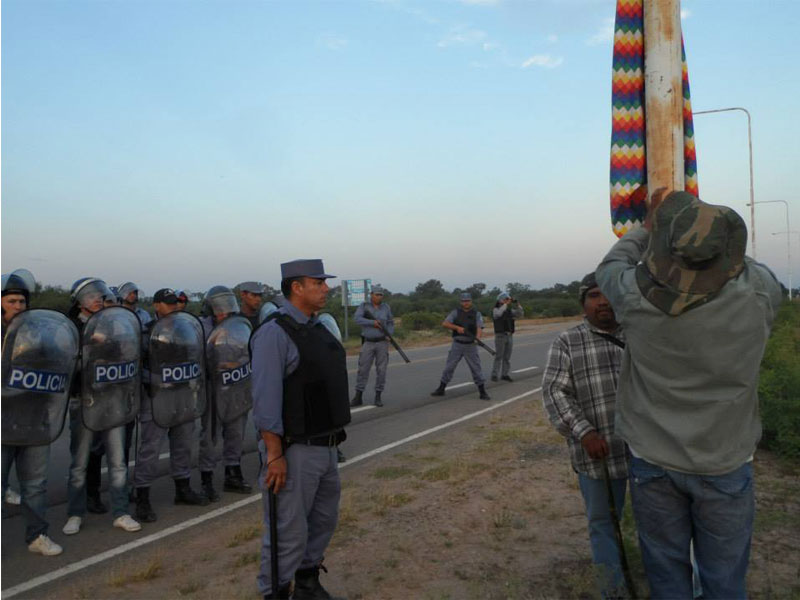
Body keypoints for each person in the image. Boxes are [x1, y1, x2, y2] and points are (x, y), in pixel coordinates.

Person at [596, 190, 783, 599]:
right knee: (724, 579)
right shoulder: (759, 294)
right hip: (725, 462)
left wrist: (650, 227)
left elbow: (610, 265)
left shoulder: (632, 296)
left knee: (666, 573)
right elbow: (755, 272)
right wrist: (709, 241)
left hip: (653, 460)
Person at [250, 259, 349, 599]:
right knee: (287, 532)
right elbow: (265, 402)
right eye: (318, 282)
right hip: (294, 451)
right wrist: (274, 455)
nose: (325, 288)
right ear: (296, 287)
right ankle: (274, 592)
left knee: (323, 522)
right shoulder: (274, 333)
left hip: (326, 445)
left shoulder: (317, 327)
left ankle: (307, 585)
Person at [542, 272, 628, 596]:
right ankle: (612, 591)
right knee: (604, 526)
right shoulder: (567, 342)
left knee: (660, 525)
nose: (603, 301)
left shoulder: (641, 335)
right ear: (583, 303)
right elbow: (555, 394)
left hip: (650, 454)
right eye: (593, 295)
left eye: (608, 294)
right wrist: (585, 433)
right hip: (598, 457)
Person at [63, 278, 141, 536]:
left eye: (100, 295)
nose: (97, 299)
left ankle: (120, 512)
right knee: (80, 462)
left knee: (118, 461)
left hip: (113, 398)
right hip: (84, 401)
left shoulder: (112, 323)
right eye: (91, 295)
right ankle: (75, 512)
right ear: (79, 301)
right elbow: (64, 366)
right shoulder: (70, 327)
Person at [1, 269, 65, 556]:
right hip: (3, 422)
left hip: (34, 420)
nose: (18, 307)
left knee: (35, 485)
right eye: (12, 301)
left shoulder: (38, 334)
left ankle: (37, 536)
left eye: (22, 302)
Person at [133, 288, 208, 522]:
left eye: (176, 303)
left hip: (183, 394)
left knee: (183, 443)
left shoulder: (185, 328)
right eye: (168, 303)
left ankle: (183, 489)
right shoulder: (146, 333)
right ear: (156, 306)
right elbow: (137, 367)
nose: (174, 307)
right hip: (156, 396)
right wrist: (158, 379)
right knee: (150, 448)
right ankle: (142, 497)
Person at [198, 285, 252, 500]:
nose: (225, 311)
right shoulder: (201, 328)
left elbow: (245, 352)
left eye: (228, 305)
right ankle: (206, 479)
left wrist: (236, 363)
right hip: (212, 389)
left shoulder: (238, 327)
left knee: (236, 432)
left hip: (236, 386)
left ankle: (233, 472)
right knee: (210, 436)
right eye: (220, 307)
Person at [430, 293, 490, 400]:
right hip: (457, 344)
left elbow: (479, 327)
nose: (466, 303)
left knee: (476, 369)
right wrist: (457, 327)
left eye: (467, 301)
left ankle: (482, 391)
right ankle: (441, 389)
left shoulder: (477, 314)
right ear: (460, 302)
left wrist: (478, 338)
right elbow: (445, 323)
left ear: (471, 301)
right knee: (449, 367)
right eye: (463, 301)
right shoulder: (455, 312)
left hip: (470, 345)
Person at [351, 285, 394, 408]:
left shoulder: (386, 307)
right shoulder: (364, 306)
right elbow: (357, 319)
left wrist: (389, 334)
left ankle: (378, 396)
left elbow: (391, 322)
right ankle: (358, 396)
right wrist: (372, 323)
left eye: (381, 295)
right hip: (368, 342)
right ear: (371, 295)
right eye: (377, 294)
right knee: (363, 369)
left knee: (381, 370)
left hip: (382, 342)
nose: (379, 297)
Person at [490, 292, 524, 382]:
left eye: (507, 299)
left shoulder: (509, 311)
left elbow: (520, 314)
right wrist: (505, 304)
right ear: (501, 300)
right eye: (505, 299)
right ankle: (494, 374)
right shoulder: (496, 309)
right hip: (500, 336)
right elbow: (499, 314)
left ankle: (505, 374)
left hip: (509, 335)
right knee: (499, 356)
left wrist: (517, 304)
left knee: (507, 357)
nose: (507, 301)